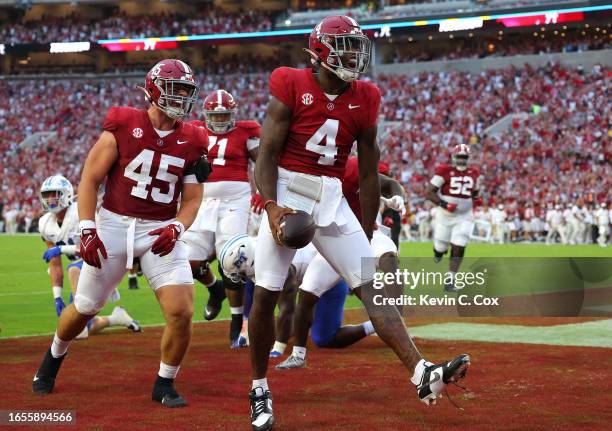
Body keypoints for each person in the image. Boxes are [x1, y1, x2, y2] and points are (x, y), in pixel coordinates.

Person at [249, 16, 469, 431]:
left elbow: (368, 173)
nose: (354, 55)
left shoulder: (366, 96)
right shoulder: (291, 83)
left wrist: (366, 232)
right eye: (345, 47)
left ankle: (421, 373)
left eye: (355, 47)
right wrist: (271, 205)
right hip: (290, 193)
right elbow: (267, 155)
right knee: (267, 292)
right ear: (321, 52)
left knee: (373, 285)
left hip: (333, 198)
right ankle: (259, 387)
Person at [32, 59, 211, 409]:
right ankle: (53, 357)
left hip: (160, 228)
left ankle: (165, 382)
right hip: (114, 223)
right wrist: (87, 228)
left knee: (181, 311)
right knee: (84, 307)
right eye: (175, 90)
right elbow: (90, 180)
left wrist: (177, 226)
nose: (181, 99)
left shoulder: (193, 139)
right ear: (155, 89)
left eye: (186, 92)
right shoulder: (124, 123)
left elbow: (191, 200)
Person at [275, 155, 404, 369]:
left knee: (389, 258)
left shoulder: (352, 167)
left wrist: (398, 197)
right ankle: (298, 354)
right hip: (336, 241)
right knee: (307, 292)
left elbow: (390, 184)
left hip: (367, 235)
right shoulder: (308, 175)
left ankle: (398, 315)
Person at [186, 89, 260, 347]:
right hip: (202, 201)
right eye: (215, 116)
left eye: (224, 115)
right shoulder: (194, 131)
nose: (219, 121)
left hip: (234, 201)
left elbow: (261, 163)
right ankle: (214, 289)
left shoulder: (246, 132)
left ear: (233, 114)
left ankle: (237, 320)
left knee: (234, 259)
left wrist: (262, 192)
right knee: (188, 261)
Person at [39, 175, 141, 337]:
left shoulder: (81, 211)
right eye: (47, 195)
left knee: (73, 269)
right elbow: (55, 265)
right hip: (84, 267)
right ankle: (117, 318)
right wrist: (57, 297)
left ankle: (80, 315)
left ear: (67, 194)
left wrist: (63, 249)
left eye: (55, 194)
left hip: (103, 260)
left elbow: (97, 245)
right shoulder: (44, 223)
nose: (50, 199)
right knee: (83, 330)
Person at [426, 144, 481, 291]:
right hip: (445, 215)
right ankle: (438, 251)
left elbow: (475, 192)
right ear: (454, 157)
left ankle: (450, 281)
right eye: (460, 157)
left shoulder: (474, 172)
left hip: (464, 215)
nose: (462, 160)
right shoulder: (444, 171)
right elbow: (430, 192)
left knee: (459, 243)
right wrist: (444, 204)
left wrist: (476, 198)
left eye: (464, 157)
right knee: (441, 246)